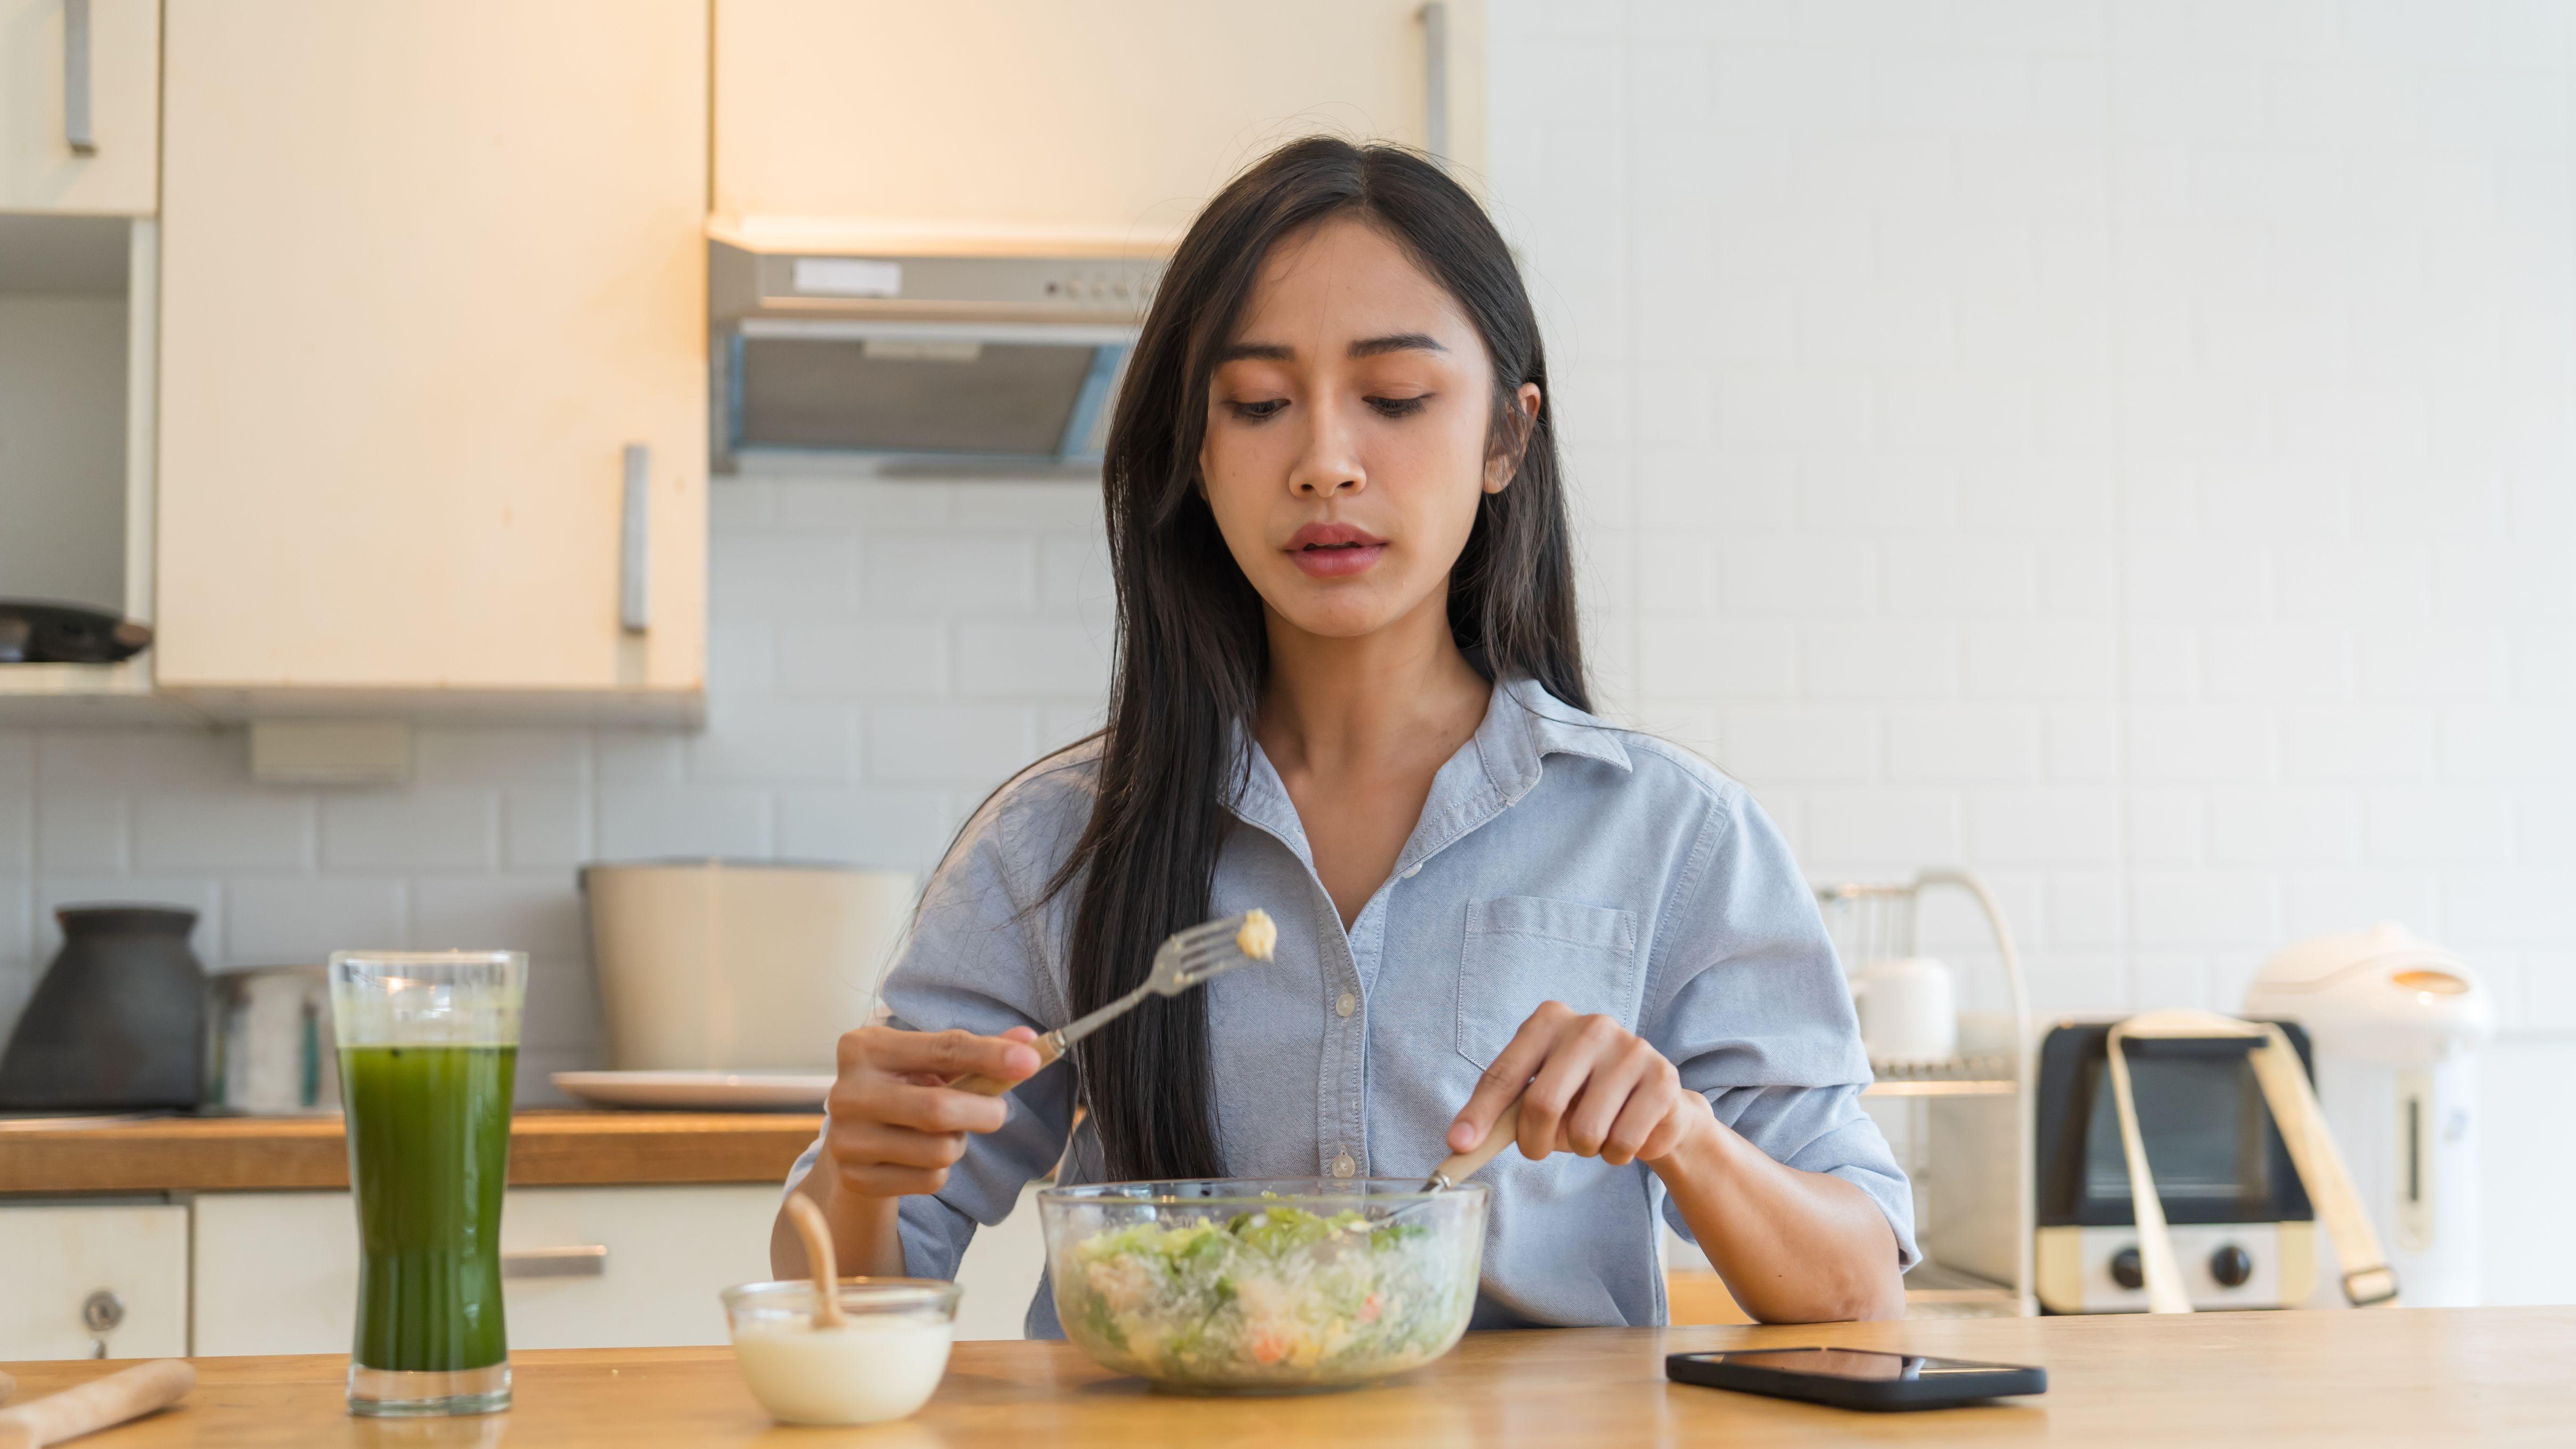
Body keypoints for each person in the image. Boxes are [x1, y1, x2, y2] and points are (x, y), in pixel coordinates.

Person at [774, 136, 1913, 1331]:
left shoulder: (1673, 837)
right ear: (1196, 454)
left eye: (1396, 399)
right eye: (1259, 405)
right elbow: (841, 1303)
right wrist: (863, 1170)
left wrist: (1682, 1133)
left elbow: (1858, 1279)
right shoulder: (1055, 840)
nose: (1324, 463)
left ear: (1503, 440)